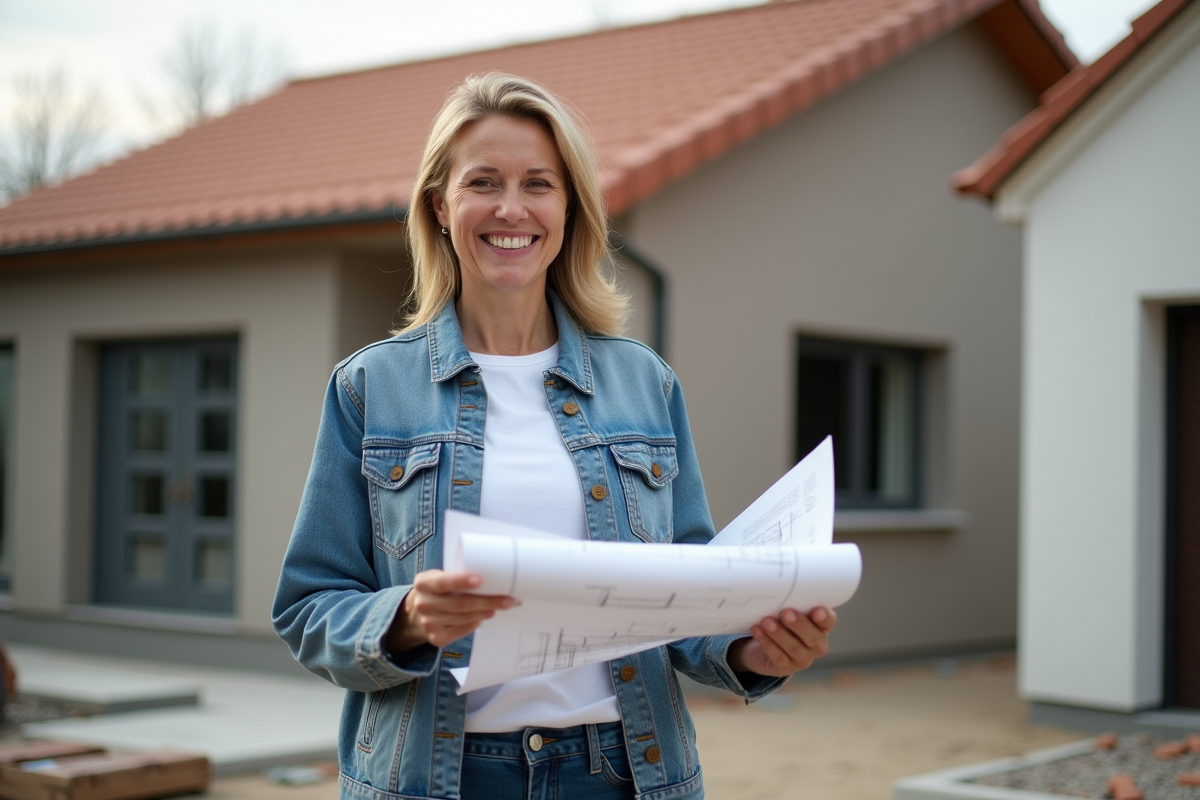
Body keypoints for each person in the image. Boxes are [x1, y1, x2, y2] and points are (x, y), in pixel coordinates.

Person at [272, 72, 837, 800]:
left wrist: (755, 649)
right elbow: (309, 607)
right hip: (438, 780)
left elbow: (689, 591)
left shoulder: (645, 383)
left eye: (539, 183)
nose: (512, 208)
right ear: (441, 206)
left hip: (623, 774)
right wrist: (404, 619)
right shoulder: (371, 389)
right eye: (483, 182)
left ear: (569, 209)